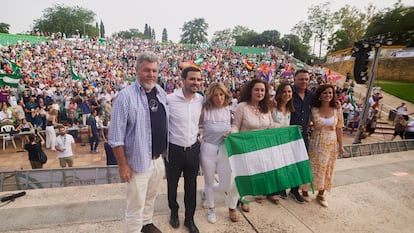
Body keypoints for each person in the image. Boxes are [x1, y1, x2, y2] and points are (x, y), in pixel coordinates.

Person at [108, 51, 167, 233]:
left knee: (150, 198)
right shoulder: (125, 97)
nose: (151, 75)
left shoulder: (160, 92)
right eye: (147, 70)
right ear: (137, 71)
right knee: (135, 205)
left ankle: (146, 224)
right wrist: (123, 165)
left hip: (157, 160)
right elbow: (115, 137)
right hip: (137, 163)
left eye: (154, 71)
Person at [166, 66, 203, 233]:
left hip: (193, 149)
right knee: (172, 185)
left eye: (199, 79)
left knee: (191, 186)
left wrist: (201, 137)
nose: (196, 82)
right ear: (183, 80)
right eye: (192, 79)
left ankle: (189, 218)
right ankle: (174, 211)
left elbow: (205, 121)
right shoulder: (170, 100)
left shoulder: (201, 100)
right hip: (174, 150)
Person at [230, 79, 275, 211]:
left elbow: (271, 126)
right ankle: (231, 207)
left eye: (262, 90)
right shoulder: (242, 107)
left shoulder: (266, 108)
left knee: (252, 179)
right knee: (240, 179)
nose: (259, 92)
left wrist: (289, 128)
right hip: (244, 149)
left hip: (261, 150)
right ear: (250, 91)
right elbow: (235, 126)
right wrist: (232, 135)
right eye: (256, 89)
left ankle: (244, 199)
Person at [198, 82, 240, 223]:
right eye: (215, 95)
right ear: (210, 96)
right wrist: (199, 137)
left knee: (225, 185)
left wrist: (231, 133)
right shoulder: (205, 110)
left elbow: (235, 126)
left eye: (221, 94)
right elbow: (196, 126)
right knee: (209, 181)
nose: (219, 98)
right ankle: (211, 208)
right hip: (208, 149)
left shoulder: (229, 110)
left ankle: (204, 191)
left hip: (224, 150)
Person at [302, 84, 344, 207]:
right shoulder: (313, 109)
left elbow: (339, 128)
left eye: (330, 93)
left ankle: (321, 193)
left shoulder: (337, 110)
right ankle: (305, 190)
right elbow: (307, 123)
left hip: (331, 142)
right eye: (325, 93)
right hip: (316, 142)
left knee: (327, 168)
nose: (328, 95)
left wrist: (341, 145)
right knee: (313, 166)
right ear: (320, 95)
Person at [289, 69, 313, 203]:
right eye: (301, 79)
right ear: (295, 79)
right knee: (286, 162)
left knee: (300, 162)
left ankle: (294, 189)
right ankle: (279, 189)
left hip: (302, 135)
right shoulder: (288, 92)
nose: (304, 82)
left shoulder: (310, 95)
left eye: (306, 79)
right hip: (288, 135)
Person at [269, 82, 295, 201]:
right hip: (273, 141)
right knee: (273, 165)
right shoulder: (272, 106)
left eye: (289, 91)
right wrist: (283, 128)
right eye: (284, 91)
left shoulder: (289, 108)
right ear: (279, 93)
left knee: (282, 165)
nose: (287, 94)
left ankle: (280, 187)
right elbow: (268, 123)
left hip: (284, 141)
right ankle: (272, 191)